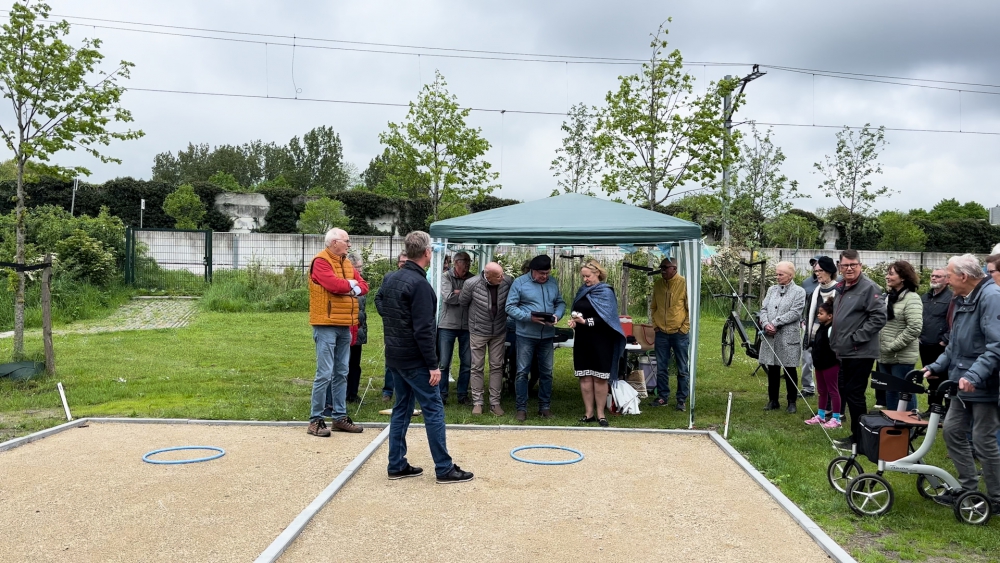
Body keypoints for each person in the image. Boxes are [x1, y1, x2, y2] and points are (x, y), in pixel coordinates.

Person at [375, 230, 473, 484]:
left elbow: (384, 309)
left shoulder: (391, 278)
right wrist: (434, 365)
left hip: (395, 355)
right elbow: (423, 329)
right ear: (428, 252)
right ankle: (444, 468)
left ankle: (396, 464)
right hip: (415, 359)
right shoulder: (420, 285)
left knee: (402, 409)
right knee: (433, 409)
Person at [923, 254, 1000, 509]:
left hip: (984, 383)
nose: (947, 280)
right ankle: (968, 490)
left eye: (950, 275)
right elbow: (954, 344)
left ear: (964, 277)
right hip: (960, 379)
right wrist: (936, 366)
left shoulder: (991, 298)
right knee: (954, 431)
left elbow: (996, 346)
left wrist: (974, 375)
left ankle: (996, 498)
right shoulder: (961, 299)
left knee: (983, 439)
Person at [307, 228, 368, 437]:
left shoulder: (346, 263)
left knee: (342, 371)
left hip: (345, 324)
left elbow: (364, 285)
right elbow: (333, 284)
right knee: (324, 373)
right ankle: (316, 419)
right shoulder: (321, 261)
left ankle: (339, 417)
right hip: (325, 323)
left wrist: (350, 287)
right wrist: (349, 286)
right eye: (346, 241)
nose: (349, 244)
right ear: (334, 242)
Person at [831, 249, 887, 448]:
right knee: (848, 391)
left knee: (855, 394)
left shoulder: (869, 288)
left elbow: (879, 317)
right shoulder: (842, 287)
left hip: (860, 351)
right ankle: (856, 435)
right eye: (845, 265)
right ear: (840, 266)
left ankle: (860, 440)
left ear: (860, 265)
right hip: (845, 350)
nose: (849, 269)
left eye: (853, 265)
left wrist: (856, 338)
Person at [505, 254, 566, 421]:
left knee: (547, 372)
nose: (544, 277)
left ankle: (544, 407)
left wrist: (557, 315)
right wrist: (528, 317)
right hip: (526, 335)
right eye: (541, 273)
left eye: (547, 273)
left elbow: (560, 302)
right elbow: (509, 307)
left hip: (547, 335)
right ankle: (521, 409)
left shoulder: (552, 282)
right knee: (522, 372)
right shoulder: (520, 283)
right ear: (532, 271)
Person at [568, 261, 626, 427]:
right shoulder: (582, 291)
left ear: (598, 274)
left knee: (600, 379)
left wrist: (586, 321)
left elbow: (608, 319)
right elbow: (577, 312)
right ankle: (589, 414)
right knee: (585, 377)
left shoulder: (606, 292)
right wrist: (575, 321)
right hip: (582, 340)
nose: (585, 279)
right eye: (583, 276)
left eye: (588, 276)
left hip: (602, 340)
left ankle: (601, 414)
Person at [459, 261, 512, 416]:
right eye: (498, 276)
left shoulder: (508, 281)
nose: (502, 278)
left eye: (502, 274)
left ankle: (495, 403)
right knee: (477, 366)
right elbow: (463, 302)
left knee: (496, 366)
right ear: (487, 275)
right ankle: (478, 402)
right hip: (478, 330)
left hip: (499, 331)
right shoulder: (471, 284)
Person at [757, 261, 807, 413]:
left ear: (790, 275)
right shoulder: (772, 290)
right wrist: (766, 324)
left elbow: (795, 312)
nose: (777, 277)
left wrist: (775, 323)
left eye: (781, 274)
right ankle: (773, 400)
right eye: (776, 274)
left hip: (787, 336)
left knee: (789, 369)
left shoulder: (799, 292)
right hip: (771, 336)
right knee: (772, 368)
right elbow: (764, 308)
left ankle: (792, 402)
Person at [877, 260, 922, 411]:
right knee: (890, 390)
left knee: (904, 393)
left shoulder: (912, 299)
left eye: (891, 274)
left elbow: (914, 328)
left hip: (901, 357)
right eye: (887, 273)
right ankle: (894, 428)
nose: (887, 277)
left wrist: (892, 346)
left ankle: (908, 428)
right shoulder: (889, 297)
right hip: (885, 355)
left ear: (903, 277)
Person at [649, 257, 690, 410]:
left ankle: (681, 400)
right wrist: (655, 325)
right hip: (661, 333)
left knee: (682, 368)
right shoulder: (658, 284)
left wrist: (684, 328)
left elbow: (690, 309)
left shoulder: (684, 283)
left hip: (679, 333)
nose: (662, 270)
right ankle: (662, 397)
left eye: (665, 267)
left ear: (675, 268)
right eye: (661, 267)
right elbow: (653, 307)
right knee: (661, 367)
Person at [438, 251, 474, 404]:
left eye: (469, 261)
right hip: (447, 325)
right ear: (455, 262)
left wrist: (458, 292)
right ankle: (441, 395)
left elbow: (476, 298)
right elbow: (448, 297)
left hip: (467, 325)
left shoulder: (473, 278)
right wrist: (465, 294)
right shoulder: (446, 276)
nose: (467, 264)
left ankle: (462, 394)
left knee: (467, 362)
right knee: (444, 362)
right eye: (464, 261)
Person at [801, 256, 837, 398]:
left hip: (831, 333)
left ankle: (833, 403)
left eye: (820, 270)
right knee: (809, 359)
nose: (817, 273)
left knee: (829, 367)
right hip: (813, 328)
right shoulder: (815, 290)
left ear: (829, 271)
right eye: (816, 270)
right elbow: (809, 310)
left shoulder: (839, 290)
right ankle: (810, 389)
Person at [804, 299, 842, 428]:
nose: (818, 315)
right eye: (818, 313)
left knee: (833, 391)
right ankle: (821, 415)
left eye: (821, 313)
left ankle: (836, 418)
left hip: (830, 365)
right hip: (819, 365)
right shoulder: (820, 327)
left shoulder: (832, 329)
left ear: (830, 316)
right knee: (822, 391)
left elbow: (835, 347)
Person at [919, 268, 953, 396]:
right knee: (930, 377)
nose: (933, 278)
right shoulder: (925, 297)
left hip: (940, 346)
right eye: (932, 276)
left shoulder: (951, 298)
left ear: (947, 280)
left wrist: (945, 340)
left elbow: (954, 322)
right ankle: (932, 408)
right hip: (925, 344)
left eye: (938, 276)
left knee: (943, 378)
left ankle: (944, 409)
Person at [382, 252, 409, 403]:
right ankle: (387, 391)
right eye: (401, 261)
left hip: (407, 326)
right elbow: (380, 297)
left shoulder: (416, 278)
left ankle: (405, 391)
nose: (403, 264)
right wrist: (386, 314)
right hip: (392, 326)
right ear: (398, 263)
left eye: (406, 261)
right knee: (390, 358)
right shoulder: (389, 277)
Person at [345, 252, 367, 403]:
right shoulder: (346, 282)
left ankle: (353, 393)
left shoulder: (361, 282)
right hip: (347, 328)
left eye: (361, 267)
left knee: (355, 364)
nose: (359, 270)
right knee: (343, 363)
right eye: (357, 267)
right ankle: (343, 394)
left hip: (359, 328)